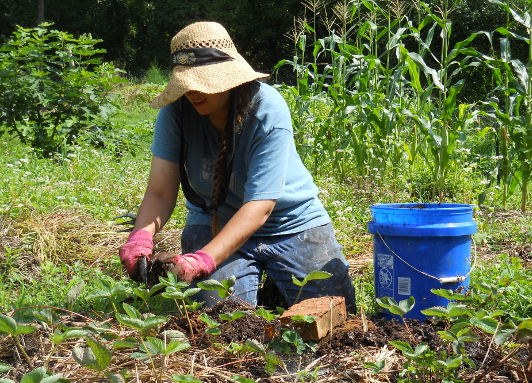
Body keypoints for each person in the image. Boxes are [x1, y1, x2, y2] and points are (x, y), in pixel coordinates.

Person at [119, 21, 355, 312]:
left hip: (291, 223)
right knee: (217, 312)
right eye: (186, 81)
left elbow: (261, 205)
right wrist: (141, 236)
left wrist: (202, 261)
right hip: (214, 222)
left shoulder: (266, 107)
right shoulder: (176, 112)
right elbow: (160, 192)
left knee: (336, 309)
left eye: (202, 80)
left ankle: (275, 288)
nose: (192, 90)